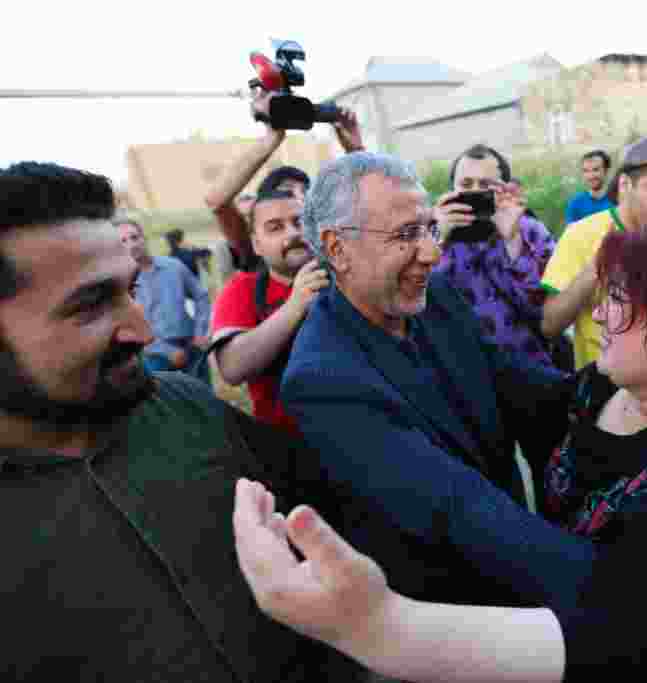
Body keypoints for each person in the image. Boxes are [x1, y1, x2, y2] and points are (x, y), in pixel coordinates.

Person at [234, 217, 647, 681]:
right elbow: (497, 383)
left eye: (621, 300)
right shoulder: (599, 388)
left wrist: (380, 627)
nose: (599, 313)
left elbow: (623, 627)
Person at [277, 151, 647, 615]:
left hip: (521, 564)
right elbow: (460, 511)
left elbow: (533, 390)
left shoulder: (435, 300)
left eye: (429, 228)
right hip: (452, 605)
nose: (433, 254)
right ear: (336, 249)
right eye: (406, 235)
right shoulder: (325, 379)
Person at [0, 161, 396, 681]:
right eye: (92, 305)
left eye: (132, 291)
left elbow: (338, 514)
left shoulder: (188, 409)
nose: (143, 331)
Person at [541, 137, 647, 369]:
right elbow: (550, 325)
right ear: (625, 185)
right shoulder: (581, 235)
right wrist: (597, 267)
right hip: (605, 383)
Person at [203, 90, 363, 278]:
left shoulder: (341, 261)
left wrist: (356, 151)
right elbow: (217, 201)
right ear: (257, 241)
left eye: (301, 218)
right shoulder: (256, 258)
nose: (293, 233)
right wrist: (271, 139)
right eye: (275, 226)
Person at [209, 190, 329, 434]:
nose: (293, 233)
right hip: (288, 447)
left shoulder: (346, 274)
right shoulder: (243, 289)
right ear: (256, 245)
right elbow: (232, 369)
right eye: (276, 228)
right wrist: (295, 306)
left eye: (299, 222)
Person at [431, 144, 559, 369]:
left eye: (486, 185)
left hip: (530, 369)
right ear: (451, 189)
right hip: (463, 373)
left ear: (505, 189)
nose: (475, 192)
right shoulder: (431, 236)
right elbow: (423, 307)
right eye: (466, 184)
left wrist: (513, 240)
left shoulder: (531, 231)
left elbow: (546, 313)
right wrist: (438, 238)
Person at [116, 217, 212, 383]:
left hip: (192, 347)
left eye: (134, 237)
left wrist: (200, 332)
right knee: (170, 406)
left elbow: (201, 296)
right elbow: (128, 326)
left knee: (205, 401)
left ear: (144, 238)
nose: (131, 244)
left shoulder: (173, 266)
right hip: (155, 357)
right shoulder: (122, 284)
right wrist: (166, 351)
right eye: (123, 241)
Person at [565, 150, 614, 225]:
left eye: (596, 170)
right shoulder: (576, 204)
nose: (590, 176)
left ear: (606, 171)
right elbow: (571, 234)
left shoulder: (618, 201)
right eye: (586, 171)